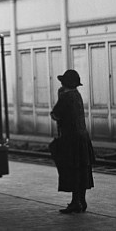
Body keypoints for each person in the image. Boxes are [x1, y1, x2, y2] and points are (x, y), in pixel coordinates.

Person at [49, 69, 95, 213]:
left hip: (70, 140)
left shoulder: (66, 97)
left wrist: (59, 96)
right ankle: (82, 201)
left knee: (72, 170)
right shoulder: (77, 95)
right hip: (83, 138)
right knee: (82, 169)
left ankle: (76, 203)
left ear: (64, 83)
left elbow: (55, 115)